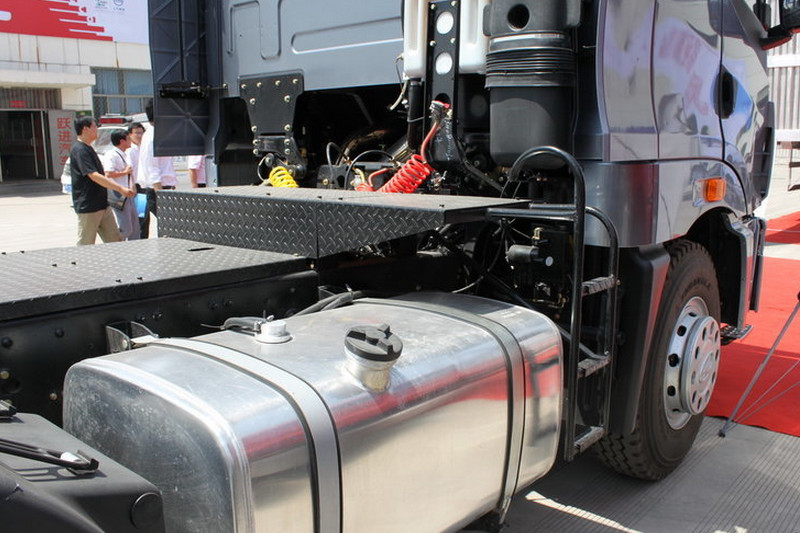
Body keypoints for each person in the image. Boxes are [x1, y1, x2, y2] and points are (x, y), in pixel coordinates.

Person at [69, 116, 135, 246]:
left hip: (102, 204)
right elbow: (94, 175)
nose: (97, 129)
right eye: (94, 126)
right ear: (85, 129)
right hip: (89, 206)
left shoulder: (88, 148)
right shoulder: (80, 150)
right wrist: (120, 188)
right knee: (86, 243)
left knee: (115, 240)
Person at [138, 100, 176, 237]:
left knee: (169, 228)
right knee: (169, 228)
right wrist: (161, 194)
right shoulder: (152, 137)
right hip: (158, 190)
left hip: (163, 189)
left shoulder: (157, 134)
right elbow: (152, 168)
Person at [103, 129, 140, 240]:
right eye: (128, 139)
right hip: (119, 194)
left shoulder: (125, 154)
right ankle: (119, 244)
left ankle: (135, 246)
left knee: (134, 224)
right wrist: (125, 172)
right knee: (125, 226)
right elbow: (108, 173)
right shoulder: (111, 155)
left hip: (128, 193)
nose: (130, 141)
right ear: (122, 141)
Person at [126, 121, 148, 237]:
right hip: (137, 187)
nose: (140, 135)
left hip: (145, 185)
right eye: (136, 133)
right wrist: (132, 185)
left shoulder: (143, 147)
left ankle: (144, 238)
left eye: (141, 133)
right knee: (140, 216)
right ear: (130, 134)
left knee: (145, 216)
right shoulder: (130, 150)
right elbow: (129, 170)